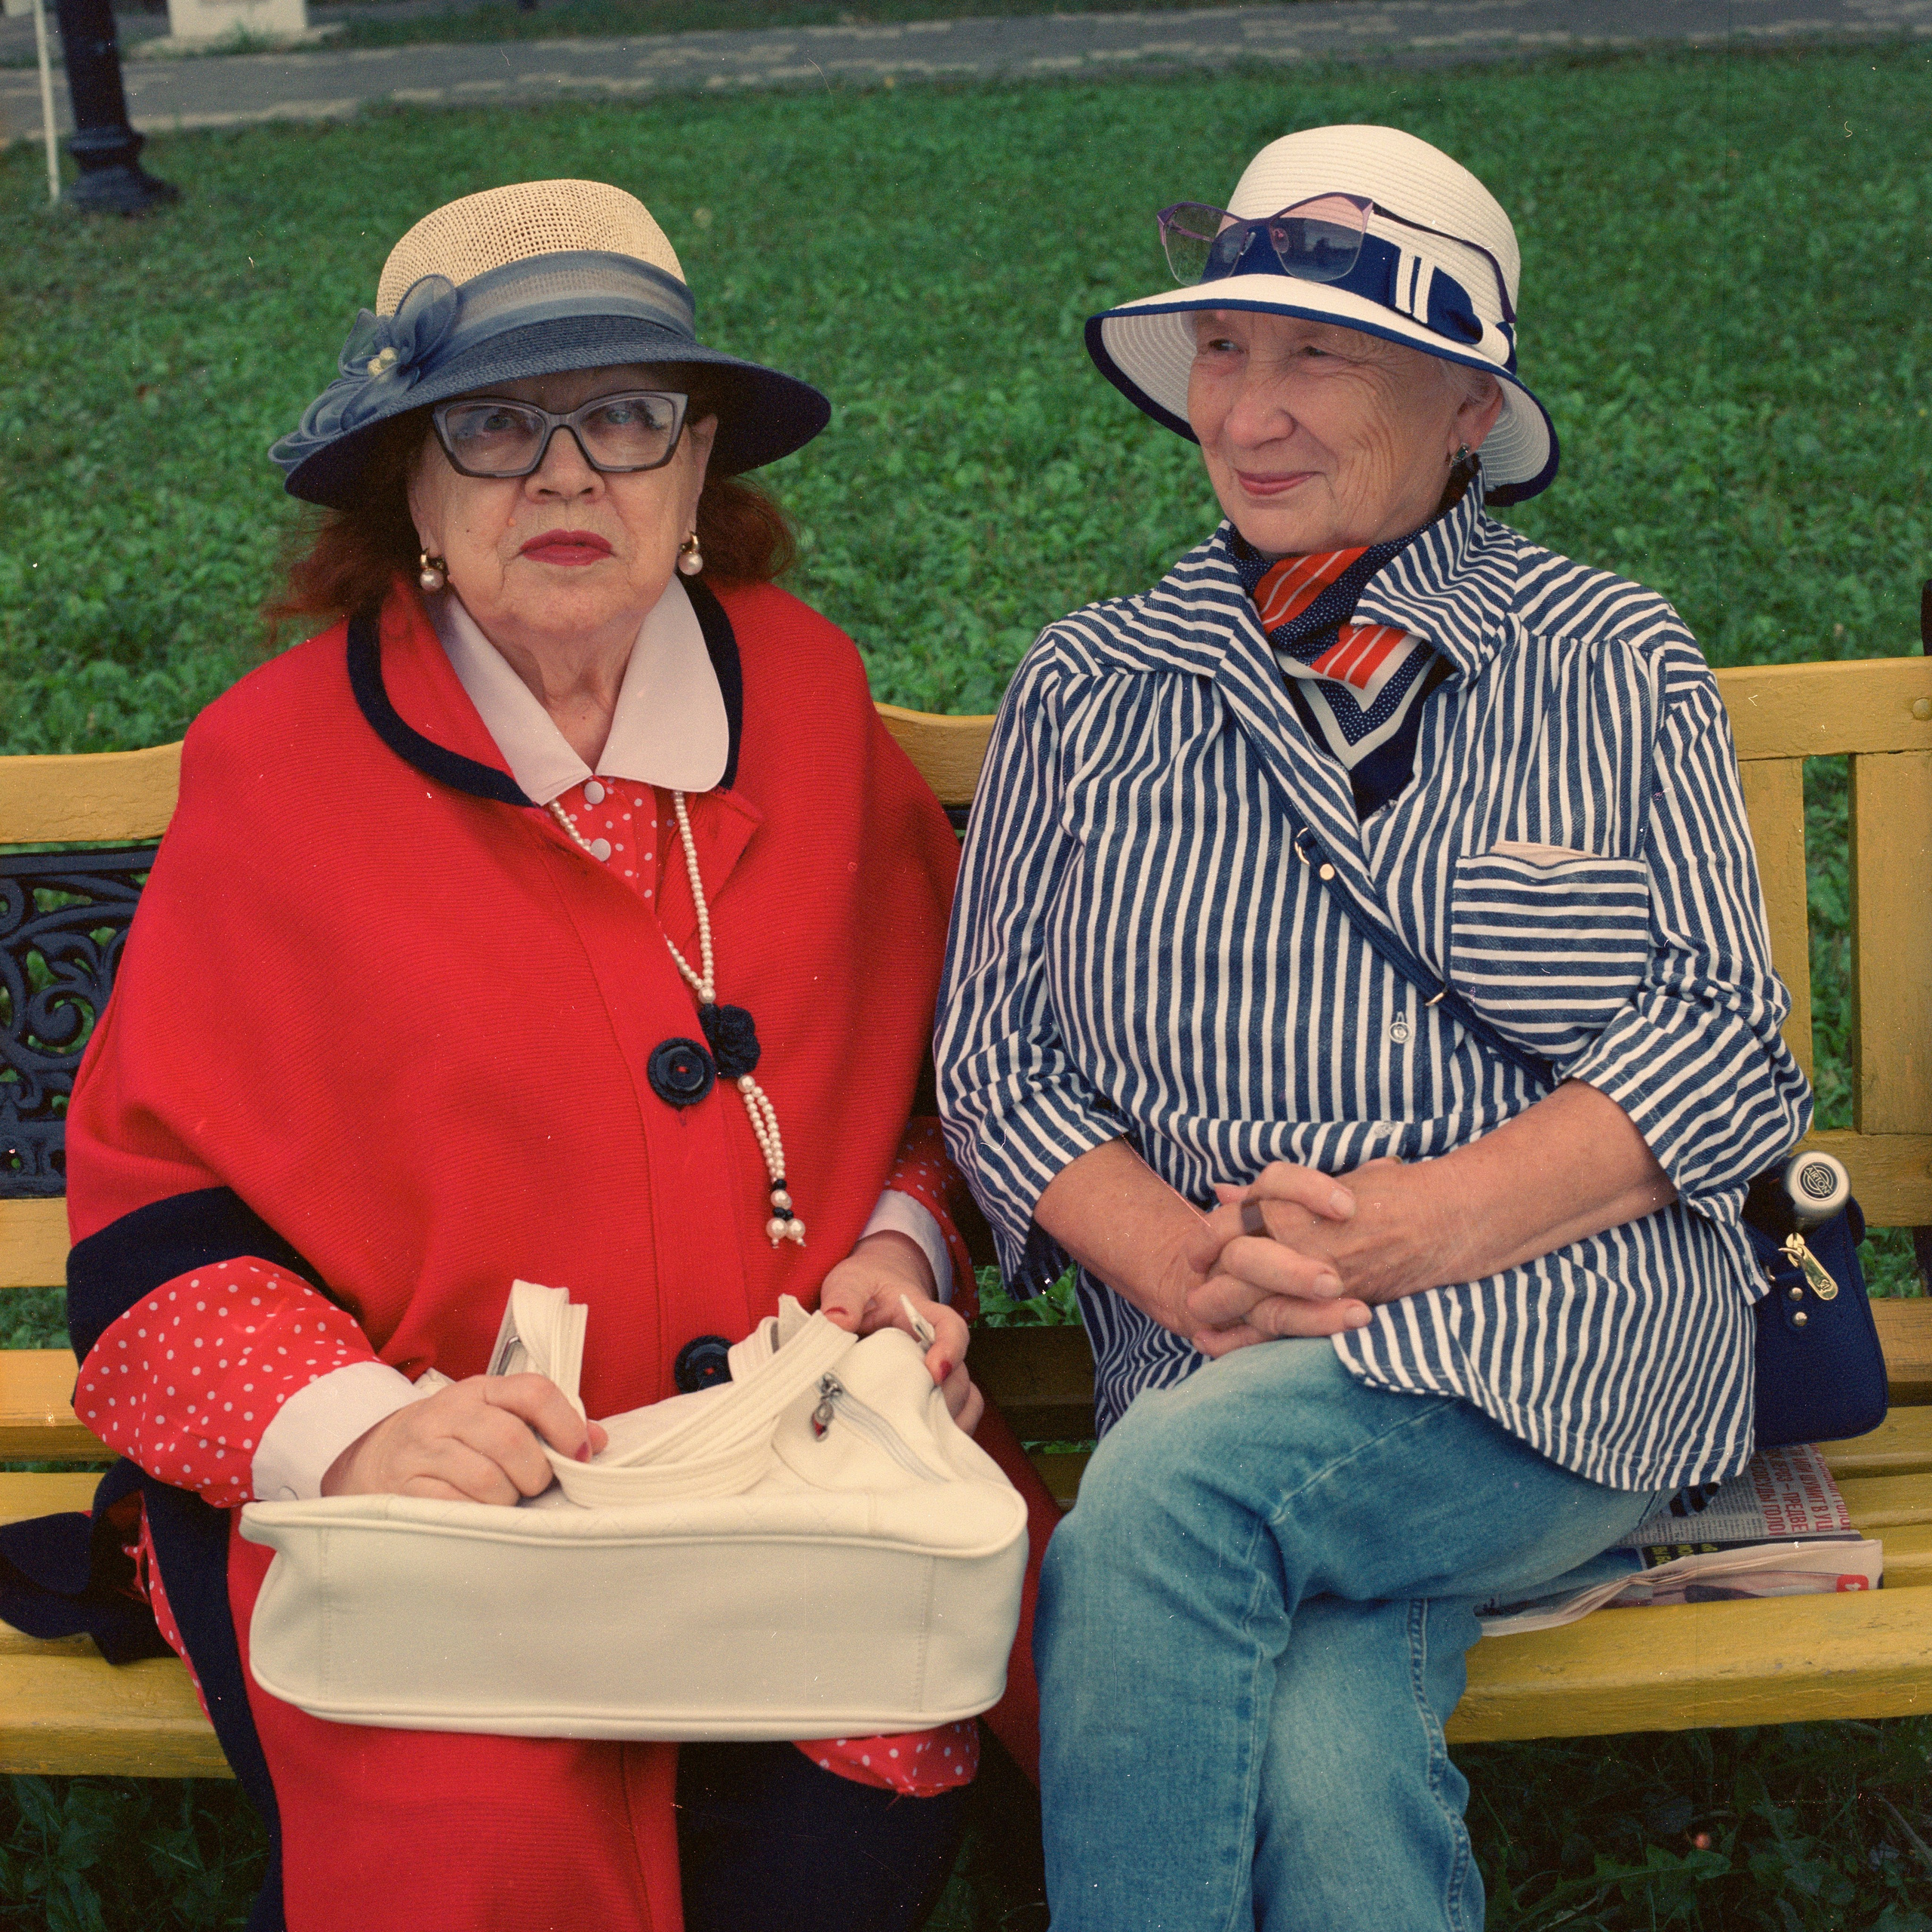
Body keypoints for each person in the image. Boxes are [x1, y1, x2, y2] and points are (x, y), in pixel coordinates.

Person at [54, 180, 1043, 1932]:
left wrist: (900, 1252)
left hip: (790, 1487)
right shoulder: (277, 769)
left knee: (847, 1821)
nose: (567, 473)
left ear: (697, 464)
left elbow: (945, 1090)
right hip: (453, 1503)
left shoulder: (808, 700)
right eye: (495, 424)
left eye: (625, 417)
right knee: (470, 1838)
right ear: (409, 488)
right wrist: (355, 1432)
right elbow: (156, 1230)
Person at [936, 125, 1811, 1930]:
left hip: (1559, 1334)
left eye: (1318, 353)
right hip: (1220, 1346)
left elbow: (1723, 1036)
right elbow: (995, 1062)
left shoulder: (1605, 654)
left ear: (1469, 408)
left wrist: (1435, 1219)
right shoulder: (1092, 684)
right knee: (1325, 1758)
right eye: (1226, 351)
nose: (1247, 408)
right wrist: (1178, 1265)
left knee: (1164, 1512)